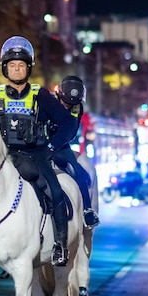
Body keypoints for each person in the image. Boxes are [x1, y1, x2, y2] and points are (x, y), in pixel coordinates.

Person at [0, 36, 78, 266]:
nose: (17, 69)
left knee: (55, 192)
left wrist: (55, 145)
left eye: (21, 65)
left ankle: (60, 246)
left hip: (36, 155)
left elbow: (68, 122)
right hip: (3, 157)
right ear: (5, 68)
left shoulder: (42, 96)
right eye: (12, 65)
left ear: (28, 69)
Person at [51, 76, 100, 227]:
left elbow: (70, 132)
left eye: (71, 104)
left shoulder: (77, 108)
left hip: (61, 146)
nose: (67, 106)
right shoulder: (49, 101)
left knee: (78, 173)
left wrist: (54, 145)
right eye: (65, 102)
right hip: (41, 143)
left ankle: (87, 210)